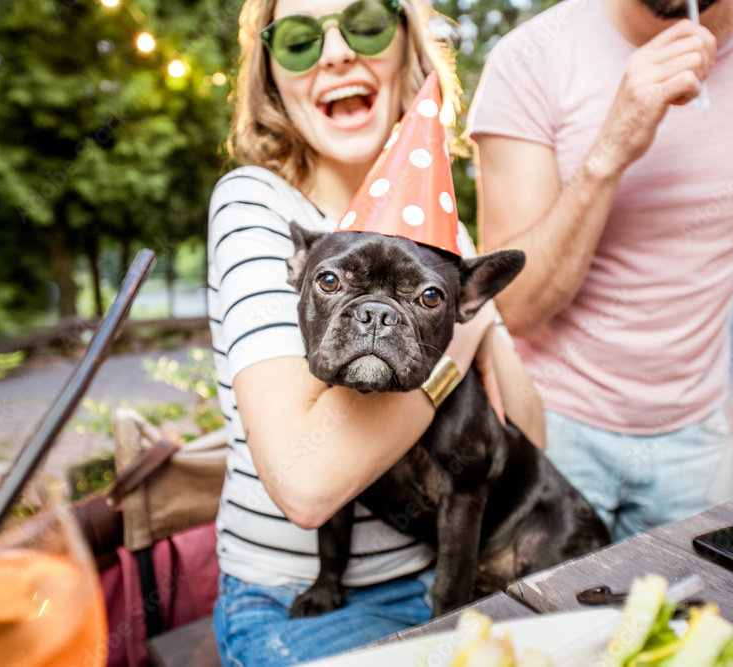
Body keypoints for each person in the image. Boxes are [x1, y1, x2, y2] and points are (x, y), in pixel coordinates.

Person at [207, 0, 544, 664]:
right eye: (301, 39)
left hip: (453, 571)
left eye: (364, 24)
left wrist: (465, 300)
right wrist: (452, 328)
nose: (334, 52)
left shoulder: (438, 242)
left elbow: (524, 432)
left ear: (408, 51)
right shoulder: (259, 204)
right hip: (302, 602)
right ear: (271, 78)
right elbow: (307, 483)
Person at [467, 0, 733, 541]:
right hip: (549, 432)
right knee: (546, 621)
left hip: (697, 438)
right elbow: (513, 309)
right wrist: (613, 146)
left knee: (708, 618)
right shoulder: (529, 59)